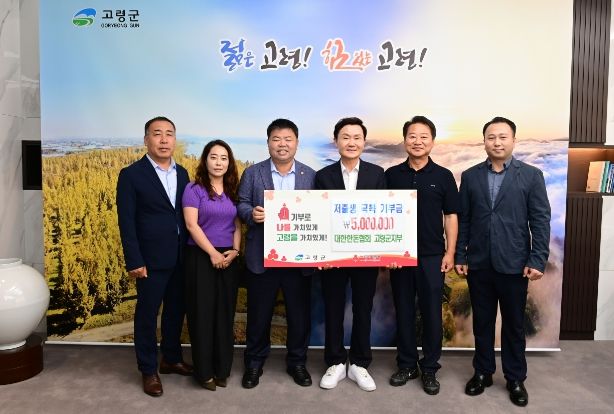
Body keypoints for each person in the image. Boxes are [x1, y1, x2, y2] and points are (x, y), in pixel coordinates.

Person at [454, 117, 551, 407]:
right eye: (491, 137)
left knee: (513, 325)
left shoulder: (531, 175)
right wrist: (461, 255)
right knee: (482, 322)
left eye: (503, 137)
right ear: (484, 141)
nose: (497, 142)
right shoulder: (470, 176)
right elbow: (464, 220)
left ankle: (515, 378)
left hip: (515, 263)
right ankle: (482, 372)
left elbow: (540, 220)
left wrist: (538, 259)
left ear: (513, 141)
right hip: (479, 263)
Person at [116, 116, 193, 397]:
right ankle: (148, 369)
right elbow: (126, 222)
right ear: (146, 139)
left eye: (169, 134)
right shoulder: (131, 175)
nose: (163, 139)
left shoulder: (182, 173)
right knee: (147, 316)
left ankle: (171, 358)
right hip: (149, 260)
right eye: (157, 133)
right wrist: (134, 260)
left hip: (181, 256)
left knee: (175, 311)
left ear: (175, 139)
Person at [237, 118, 316, 389]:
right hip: (262, 256)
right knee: (258, 315)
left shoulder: (310, 175)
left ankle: (297, 362)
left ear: (297, 143)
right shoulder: (253, 173)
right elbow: (241, 204)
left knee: (299, 316)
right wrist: (251, 213)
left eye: (288, 139)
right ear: (268, 142)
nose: (282, 144)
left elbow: (319, 213)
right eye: (276, 139)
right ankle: (254, 363)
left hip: (298, 258)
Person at [385, 116, 459, 395]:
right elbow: (380, 213)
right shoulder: (391, 175)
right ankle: (406, 365)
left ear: (432, 141)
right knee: (403, 311)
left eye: (423, 136)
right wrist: (385, 252)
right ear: (404, 140)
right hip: (399, 255)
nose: (417, 141)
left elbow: (451, 216)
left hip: (432, 256)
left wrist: (450, 252)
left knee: (431, 314)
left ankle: (429, 368)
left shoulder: (443, 176)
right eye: (412, 136)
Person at [314, 117, 386, 392]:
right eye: (345, 137)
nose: (351, 142)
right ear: (336, 141)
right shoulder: (324, 176)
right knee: (333, 307)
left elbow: (385, 216)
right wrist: (321, 254)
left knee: (363, 308)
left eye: (357, 137)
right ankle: (335, 362)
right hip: (333, 255)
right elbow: (318, 217)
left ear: (364, 142)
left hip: (366, 255)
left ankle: (359, 363)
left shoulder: (377, 174)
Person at [182, 140, 241, 391]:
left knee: (225, 315)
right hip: (200, 257)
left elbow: (237, 224)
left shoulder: (233, 190)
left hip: (229, 258)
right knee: (202, 314)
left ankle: (222, 370)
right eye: (214, 157)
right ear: (205, 160)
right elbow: (191, 225)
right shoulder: (193, 189)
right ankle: (204, 372)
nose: (219, 162)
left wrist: (235, 251)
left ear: (229, 163)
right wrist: (212, 254)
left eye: (224, 158)